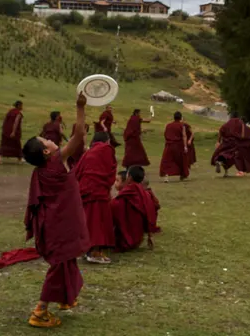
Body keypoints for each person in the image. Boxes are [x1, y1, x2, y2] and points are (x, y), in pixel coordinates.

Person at [22, 92, 89, 328]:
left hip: (53, 222)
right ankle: (40, 311)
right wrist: (80, 107)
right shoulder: (56, 161)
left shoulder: (41, 170)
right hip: (60, 223)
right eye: (45, 141)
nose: (50, 140)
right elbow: (78, 136)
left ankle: (65, 298)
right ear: (46, 152)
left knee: (67, 260)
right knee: (61, 263)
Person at [74, 131, 117, 264]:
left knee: (88, 219)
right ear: (107, 141)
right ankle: (94, 252)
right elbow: (110, 170)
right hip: (97, 189)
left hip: (85, 188)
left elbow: (77, 171)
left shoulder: (88, 153)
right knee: (97, 221)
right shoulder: (106, 149)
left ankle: (84, 250)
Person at [111, 166, 158, 253]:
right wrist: (150, 234)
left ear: (129, 177)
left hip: (126, 238)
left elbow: (115, 206)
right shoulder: (145, 193)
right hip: (138, 238)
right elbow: (151, 210)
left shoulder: (129, 190)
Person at [211, 113, 245, 177]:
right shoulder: (239, 124)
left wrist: (218, 141)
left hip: (225, 143)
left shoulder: (226, 124)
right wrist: (243, 126)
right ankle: (221, 165)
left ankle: (222, 166)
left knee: (223, 154)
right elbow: (242, 136)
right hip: (234, 144)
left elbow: (220, 131)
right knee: (231, 157)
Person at [160, 112, 189, 182]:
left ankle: (166, 176)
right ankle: (182, 175)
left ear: (174, 117)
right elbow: (184, 136)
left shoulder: (168, 125)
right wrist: (185, 146)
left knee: (167, 161)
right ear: (180, 118)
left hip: (169, 145)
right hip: (178, 145)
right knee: (181, 160)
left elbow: (165, 134)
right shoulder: (182, 125)